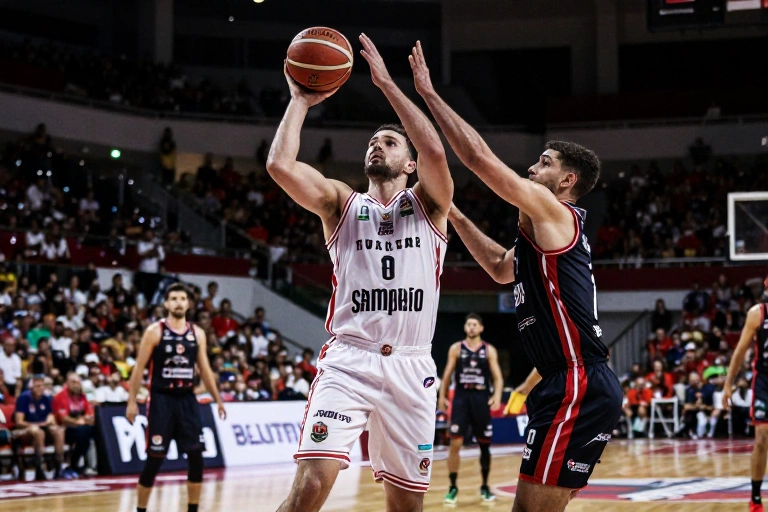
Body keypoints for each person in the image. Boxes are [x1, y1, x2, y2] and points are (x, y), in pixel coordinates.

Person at [408, 41, 622, 511]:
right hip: (566, 382)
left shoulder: (554, 209)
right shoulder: (538, 236)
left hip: (577, 382)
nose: (531, 166)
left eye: (544, 162)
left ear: (567, 182)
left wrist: (428, 93)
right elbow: (501, 270)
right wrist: (452, 213)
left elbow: (479, 160)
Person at [267, 33, 452, 512]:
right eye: (372, 141)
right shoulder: (341, 203)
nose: (377, 146)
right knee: (309, 488)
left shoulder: (430, 205)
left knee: (406, 507)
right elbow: (280, 165)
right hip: (350, 360)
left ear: (408, 164)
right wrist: (299, 101)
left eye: (389, 142)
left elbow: (436, 153)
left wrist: (389, 85)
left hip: (412, 366)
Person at [126, 283, 226, 512]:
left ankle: (192, 509)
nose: (179, 302)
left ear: (188, 304)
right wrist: (131, 401)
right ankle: (140, 509)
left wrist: (218, 399)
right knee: (155, 459)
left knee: (196, 458)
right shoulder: (154, 331)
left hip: (187, 400)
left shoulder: (197, 333)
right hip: (161, 400)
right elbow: (138, 369)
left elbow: (205, 370)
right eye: (174, 298)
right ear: (166, 303)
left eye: (182, 298)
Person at [438, 313, 503, 504]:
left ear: (481, 328)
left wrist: (497, 396)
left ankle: (484, 486)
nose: (471, 327)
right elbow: (447, 374)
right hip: (461, 398)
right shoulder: (456, 348)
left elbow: (498, 378)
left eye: (475, 324)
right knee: (455, 444)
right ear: (465, 328)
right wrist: (441, 397)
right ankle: (452, 487)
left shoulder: (488, 350)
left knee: (485, 445)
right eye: (468, 324)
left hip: (481, 397)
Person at [722, 282, 768, 512]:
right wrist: (728, 384)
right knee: (761, 437)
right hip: (764, 381)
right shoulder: (757, 313)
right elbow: (740, 351)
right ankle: (755, 497)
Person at [14, 375, 66, 480]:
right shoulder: (23, 398)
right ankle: (38, 467)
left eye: (42, 386)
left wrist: (50, 419)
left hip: (43, 427)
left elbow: (51, 414)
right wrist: (36, 425)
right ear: (31, 387)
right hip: (26, 430)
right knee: (38, 432)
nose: (40, 388)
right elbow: (19, 421)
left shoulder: (47, 398)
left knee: (58, 431)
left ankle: (58, 467)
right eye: (37, 386)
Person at [53, 373, 95, 478]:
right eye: (73, 382)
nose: (75, 385)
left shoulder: (82, 396)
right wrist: (78, 421)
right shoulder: (61, 396)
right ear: (67, 383)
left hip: (80, 427)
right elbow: (63, 419)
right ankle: (73, 465)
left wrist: (85, 419)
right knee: (84, 432)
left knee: (90, 431)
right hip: (63, 429)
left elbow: (90, 414)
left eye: (77, 382)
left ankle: (88, 466)